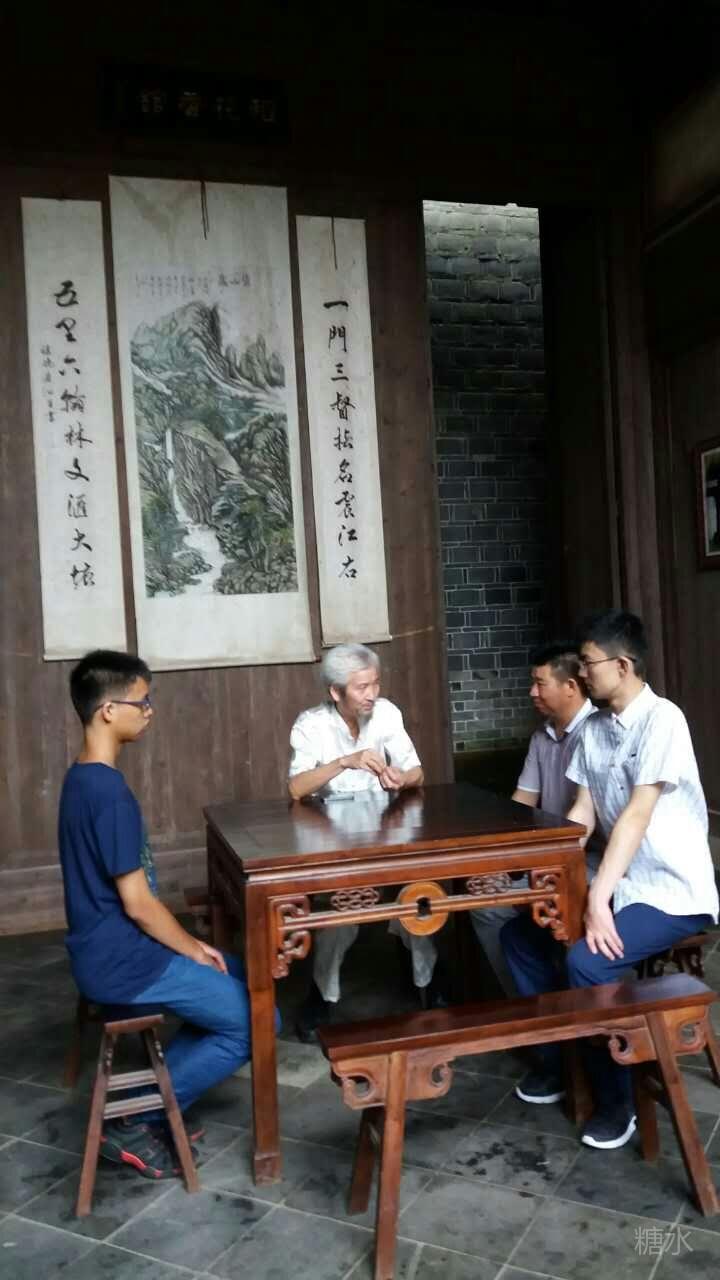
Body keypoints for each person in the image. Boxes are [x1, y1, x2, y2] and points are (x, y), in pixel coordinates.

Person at [501, 611, 719, 1150]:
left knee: (588, 961)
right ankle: (558, 1061)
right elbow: (583, 812)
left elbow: (636, 816)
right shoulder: (595, 730)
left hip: (669, 889)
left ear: (622, 665)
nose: (581, 672)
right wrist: (546, 869)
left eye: (588, 663)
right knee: (521, 935)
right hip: (620, 880)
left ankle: (616, 1102)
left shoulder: (663, 720)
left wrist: (597, 899)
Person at [59, 650, 263, 1180]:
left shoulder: (81, 778)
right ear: (108, 710)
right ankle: (133, 1119)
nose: (149, 711)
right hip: (124, 962)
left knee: (245, 978)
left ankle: (161, 1099)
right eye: (142, 702)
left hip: (113, 951)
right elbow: (139, 904)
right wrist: (193, 948)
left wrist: (196, 952)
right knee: (256, 1021)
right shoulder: (108, 794)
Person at [288, 643, 441, 1039]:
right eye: (361, 687)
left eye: (375, 683)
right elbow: (296, 788)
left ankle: (426, 984)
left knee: (418, 897)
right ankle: (322, 996)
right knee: (340, 915)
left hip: (387, 829)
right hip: (333, 836)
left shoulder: (386, 713)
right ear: (336, 692)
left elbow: (417, 772)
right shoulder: (311, 724)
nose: (371, 694)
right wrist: (345, 761)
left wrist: (399, 777)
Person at [471, 642, 599, 994]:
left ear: (570, 686)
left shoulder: (596, 733)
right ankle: (528, 1003)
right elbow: (522, 801)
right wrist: (497, 859)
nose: (532, 692)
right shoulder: (542, 736)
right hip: (549, 853)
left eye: (540, 683)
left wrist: (533, 866)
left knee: (519, 904)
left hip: (591, 857)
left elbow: (588, 824)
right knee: (484, 903)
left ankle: (557, 1000)